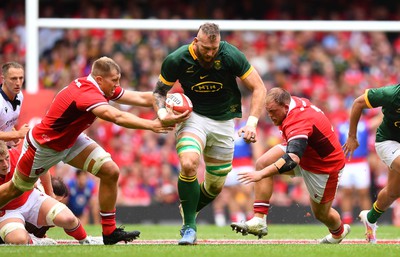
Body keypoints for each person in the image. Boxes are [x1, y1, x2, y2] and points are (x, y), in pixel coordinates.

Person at [0, 56, 186, 245]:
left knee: (110, 170)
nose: (117, 85)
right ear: (99, 79)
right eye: (114, 80)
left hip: (71, 140)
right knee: (16, 189)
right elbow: (115, 116)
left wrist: (169, 99)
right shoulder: (86, 93)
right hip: (43, 147)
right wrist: (152, 125)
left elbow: (139, 97)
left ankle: (109, 231)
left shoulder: (102, 86)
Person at [153, 22, 266, 245]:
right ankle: (189, 228)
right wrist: (162, 112)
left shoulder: (230, 54)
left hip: (224, 121)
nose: (210, 53)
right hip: (193, 117)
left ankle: (188, 207)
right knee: (189, 163)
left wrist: (252, 123)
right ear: (196, 42)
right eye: (206, 49)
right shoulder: (177, 59)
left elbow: (259, 87)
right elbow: (158, 92)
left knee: (215, 186)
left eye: (214, 49)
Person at [231, 88, 350, 244]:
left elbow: (292, 158)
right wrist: (251, 126)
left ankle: (339, 232)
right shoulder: (289, 104)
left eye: (273, 111)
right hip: (307, 151)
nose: (270, 116)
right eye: (268, 111)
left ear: (285, 107)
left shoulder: (297, 119)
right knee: (262, 163)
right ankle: (259, 220)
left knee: (321, 214)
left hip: (324, 167)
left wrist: (261, 175)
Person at [0, 140, 101, 245]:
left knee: (69, 219)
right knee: (19, 240)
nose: (5, 164)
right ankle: (35, 241)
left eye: (7, 158)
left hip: (30, 197)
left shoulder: (17, 155)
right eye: (0, 161)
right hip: (6, 211)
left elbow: (41, 168)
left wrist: (50, 195)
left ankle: (85, 240)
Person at [342, 84, 400, 244]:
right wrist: (352, 136)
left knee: (393, 193)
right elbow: (358, 103)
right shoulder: (390, 93)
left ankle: (370, 217)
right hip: (388, 142)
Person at [212, 115, 264, 226]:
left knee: (247, 191)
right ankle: (236, 217)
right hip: (230, 164)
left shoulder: (246, 127)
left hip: (245, 163)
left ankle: (250, 217)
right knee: (231, 193)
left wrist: (257, 164)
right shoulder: (225, 128)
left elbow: (256, 147)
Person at [337, 115, 372, 224]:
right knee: (346, 191)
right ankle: (347, 219)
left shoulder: (364, 125)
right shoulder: (341, 126)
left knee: (363, 192)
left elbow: (378, 120)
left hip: (361, 162)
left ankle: (368, 219)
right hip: (346, 162)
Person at [0, 62, 30, 148]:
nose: (18, 83)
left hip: (6, 149)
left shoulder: (20, 95)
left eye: (21, 78)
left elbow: (6, 123)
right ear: (3, 79)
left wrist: (14, 133)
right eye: (13, 79)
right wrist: (17, 134)